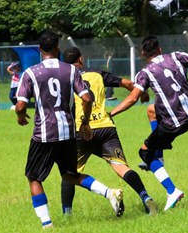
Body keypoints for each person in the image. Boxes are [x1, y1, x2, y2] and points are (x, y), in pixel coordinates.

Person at [14, 31, 124, 229]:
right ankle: (110, 193)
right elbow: (87, 98)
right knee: (70, 175)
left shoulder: (31, 73)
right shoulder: (71, 71)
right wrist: (84, 123)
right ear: (58, 49)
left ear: (40, 50)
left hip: (44, 134)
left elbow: (21, 106)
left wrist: (21, 118)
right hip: (68, 132)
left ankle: (47, 225)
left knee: (34, 178)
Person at [109, 35, 188, 211]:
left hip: (175, 122)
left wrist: (112, 113)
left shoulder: (145, 73)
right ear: (159, 49)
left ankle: (172, 190)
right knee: (151, 110)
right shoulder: (176, 56)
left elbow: (133, 97)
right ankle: (160, 156)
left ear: (142, 53)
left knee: (144, 153)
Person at [60, 47, 157, 216]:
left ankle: (67, 214)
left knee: (70, 173)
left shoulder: (64, 77)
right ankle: (146, 197)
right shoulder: (97, 73)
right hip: (106, 128)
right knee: (121, 167)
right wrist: (141, 94)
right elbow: (127, 83)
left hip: (82, 130)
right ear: (81, 59)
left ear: (64, 63)